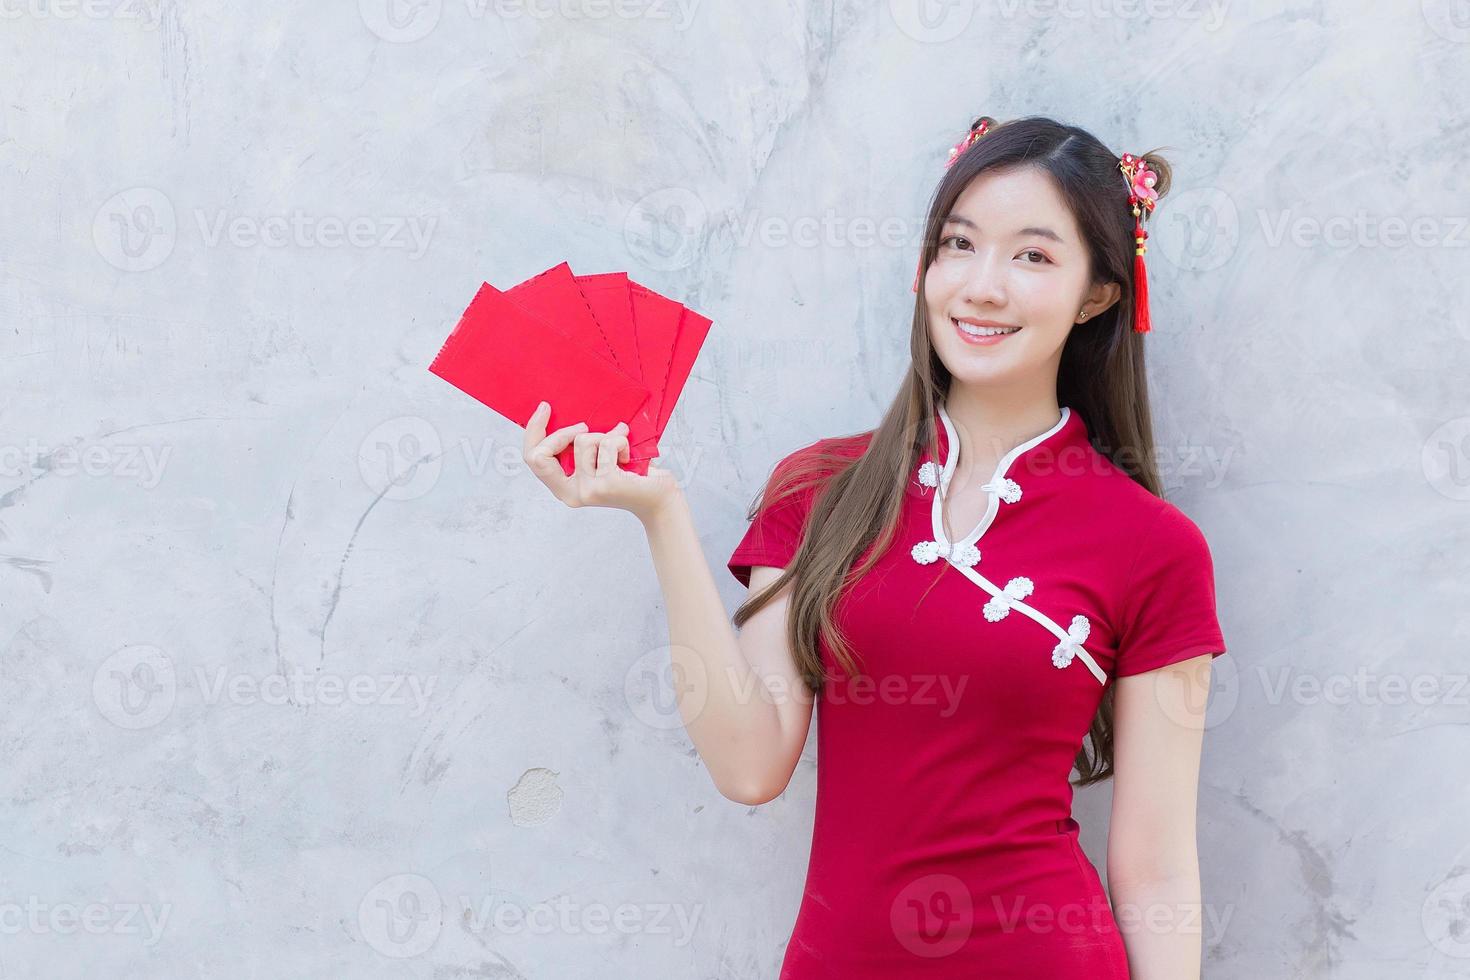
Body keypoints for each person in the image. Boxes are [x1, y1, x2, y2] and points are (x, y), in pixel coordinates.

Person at [520, 114, 1227, 979]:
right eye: (958, 245)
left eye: (1033, 256)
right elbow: (749, 765)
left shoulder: (1154, 547)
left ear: (1099, 294)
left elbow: (1156, 868)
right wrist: (660, 515)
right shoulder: (819, 489)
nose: (982, 285)